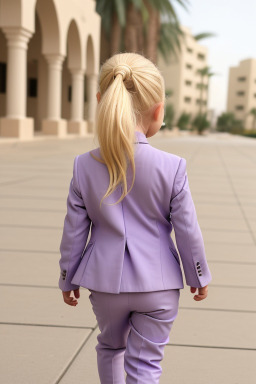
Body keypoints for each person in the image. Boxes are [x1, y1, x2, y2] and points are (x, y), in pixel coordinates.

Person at [58, 52, 212, 384]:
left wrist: (67, 277)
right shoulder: (173, 166)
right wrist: (197, 273)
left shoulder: (83, 165)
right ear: (159, 110)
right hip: (160, 285)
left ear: (102, 101)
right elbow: (187, 230)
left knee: (111, 348)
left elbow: (74, 231)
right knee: (146, 367)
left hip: (104, 285)